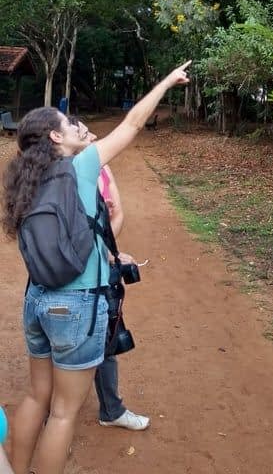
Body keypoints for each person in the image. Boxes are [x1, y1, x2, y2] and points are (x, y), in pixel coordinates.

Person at [1, 61, 190, 474]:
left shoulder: (24, 180)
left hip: (37, 299)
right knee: (65, 413)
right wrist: (167, 81)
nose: (77, 127)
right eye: (70, 123)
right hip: (76, 305)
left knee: (38, 397)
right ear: (56, 136)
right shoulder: (81, 167)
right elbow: (133, 124)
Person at [70, 118, 150, 431]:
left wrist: (109, 253)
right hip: (74, 274)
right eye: (83, 132)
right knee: (66, 338)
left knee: (107, 336)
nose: (92, 136)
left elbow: (117, 214)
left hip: (101, 269)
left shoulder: (101, 168)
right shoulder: (62, 174)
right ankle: (54, 413)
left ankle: (111, 409)